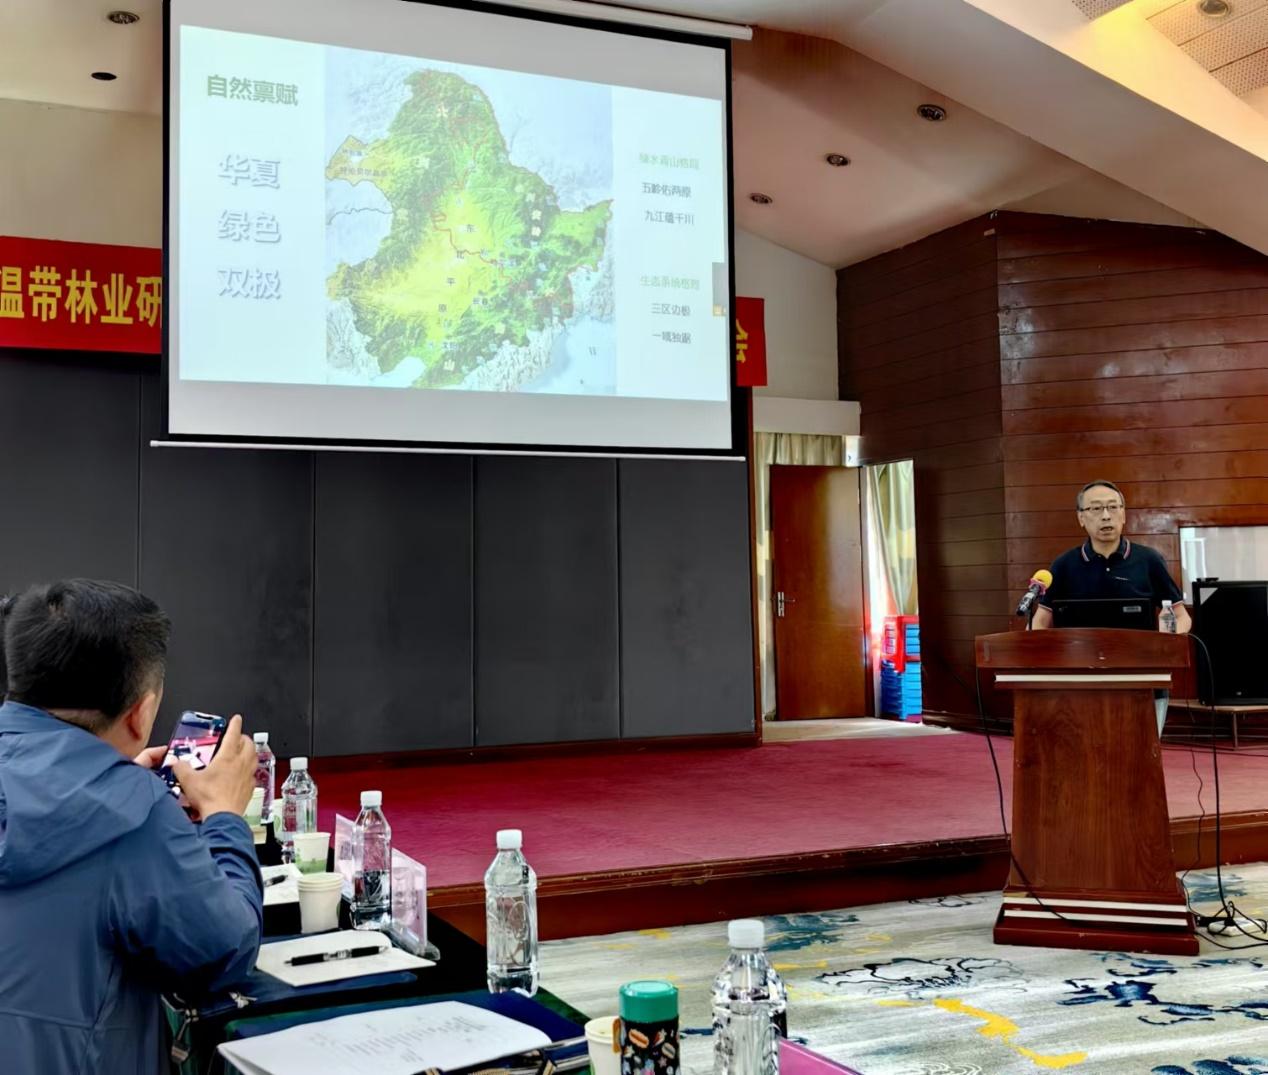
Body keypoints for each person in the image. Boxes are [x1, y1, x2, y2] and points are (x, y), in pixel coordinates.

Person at [0, 579, 262, 1074]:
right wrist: (224, 816)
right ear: (141, 713)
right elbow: (222, 952)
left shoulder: (126, 806)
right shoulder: (134, 813)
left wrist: (120, 789)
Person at [1031, 480, 1189, 734]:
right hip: (1078, 684)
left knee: (1140, 752)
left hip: (1141, 681)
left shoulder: (1148, 560)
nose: (1106, 515)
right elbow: (1040, 621)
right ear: (1081, 518)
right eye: (1096, 509)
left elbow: (1181, 616)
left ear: (1123, 514)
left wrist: (1165, 641)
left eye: (1113, 507)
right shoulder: (1064, 565)